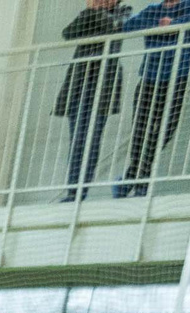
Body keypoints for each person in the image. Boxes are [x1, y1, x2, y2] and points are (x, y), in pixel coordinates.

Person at [117, 0, 190, 197]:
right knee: (139, 129)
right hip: (149, 77)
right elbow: (128, 26)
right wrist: (157, 26)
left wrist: (175, 23)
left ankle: (134, 175)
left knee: (166, 128)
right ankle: (139, 177)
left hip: (177, 76)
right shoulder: (153, 10)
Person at [55, 0, 129, 199]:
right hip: (79, 82)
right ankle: (73, 190)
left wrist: (95, 11)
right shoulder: (86, 15)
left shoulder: (123, 13)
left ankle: (81, 190)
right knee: (77, 139)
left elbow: (112, 32)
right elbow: (68, 33)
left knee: (92, 138)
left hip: (102, 82)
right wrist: (89, 12)